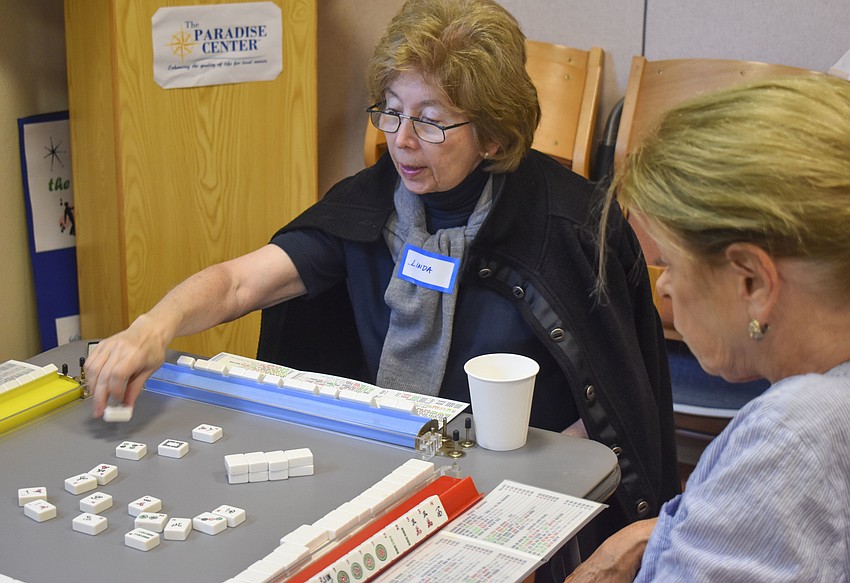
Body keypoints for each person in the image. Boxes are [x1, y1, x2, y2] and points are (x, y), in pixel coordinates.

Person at [84, 0, 679, 557]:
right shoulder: (367, 206)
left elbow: (612, 414)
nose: (401, 140)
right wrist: (153, 326)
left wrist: (525, 488)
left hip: (527, 501)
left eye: (431, 121)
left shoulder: (571, 227)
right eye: (392, 110)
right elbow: (239, 282)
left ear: (493, 134)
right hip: (390, 478)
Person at [566, 75, 850, 582]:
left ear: (752, 281)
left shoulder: (792, 435)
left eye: (670, 262)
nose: (666, 287)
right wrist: (657, 533)